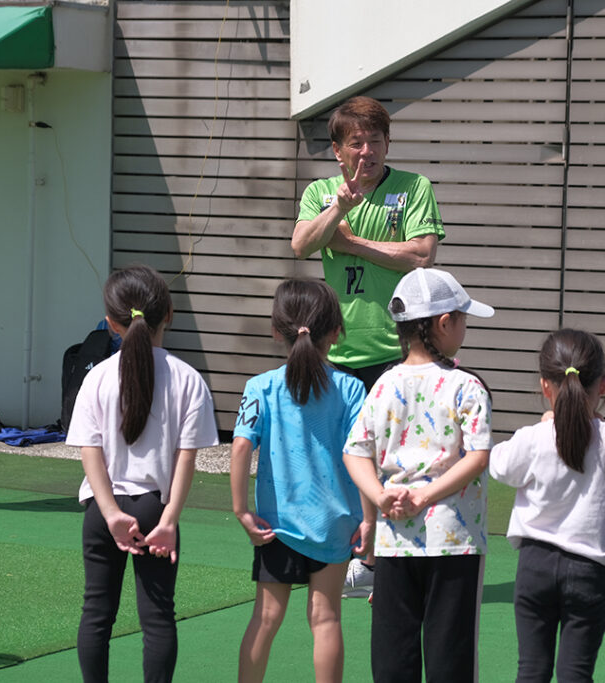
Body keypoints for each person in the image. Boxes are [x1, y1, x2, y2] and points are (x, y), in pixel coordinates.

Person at [293, 95, 446, 596]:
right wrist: (338, 210)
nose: (367, 152)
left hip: (397, 351)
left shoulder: (413, 188)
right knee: (340, 458)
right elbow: (302, 243)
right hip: (334, 351)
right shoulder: (321, 193)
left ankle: (382, 563)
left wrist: (351, 243)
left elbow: (421, 254)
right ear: (338, 151)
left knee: (394, 459)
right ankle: (350, 554)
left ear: (387, 144)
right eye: (356, 143)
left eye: (375, 141)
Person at [65, 264, 219, 683]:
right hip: (156, 509)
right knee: (158, 617)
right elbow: (187, 458)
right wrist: (169, 520)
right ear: (168, 313)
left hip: (102, 510)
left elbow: (91, 453)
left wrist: (110, 512)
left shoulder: (96, 378)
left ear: (111, 323)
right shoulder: (188, 379)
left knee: (96, 613)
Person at [343, 267, 494, 683]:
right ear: (444, 323)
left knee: (393, 656)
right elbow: (478, 456)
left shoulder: (383, 385)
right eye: (462, 319)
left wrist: (380, 496)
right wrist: (426, 497)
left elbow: (355, 452)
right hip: (455, 541)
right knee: (451, 658)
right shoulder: (466, 386)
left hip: (395, 540)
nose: (464, 327)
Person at [230, 278, 372, 683]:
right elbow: (363, 456)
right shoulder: (351, 389)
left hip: (276, 526)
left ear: (277, 331)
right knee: (326, 619)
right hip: (335, 525)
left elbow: (240, 448)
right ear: (336, 332)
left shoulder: (260, 387)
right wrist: (370, 519)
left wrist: (241, 510)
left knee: (265, 618)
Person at [489, 329, 605, 682]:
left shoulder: (532, 438)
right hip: (590, 571)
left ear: (544, 386)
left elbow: (498, 464)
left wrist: (542, 425)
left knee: (531, 670)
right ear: (602, 387)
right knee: (575, 674)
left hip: (535, 565)